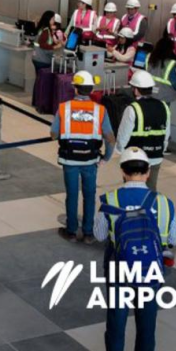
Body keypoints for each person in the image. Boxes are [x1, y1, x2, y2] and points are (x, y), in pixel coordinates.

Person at [94, 147, 176, 351]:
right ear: (148, 172)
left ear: (123, 172)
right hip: (150, 270)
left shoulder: (110, 200)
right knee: (146, 327)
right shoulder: (164, 203)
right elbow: (175, 238)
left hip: (119, 269)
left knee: (116, 324)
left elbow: (98, 235)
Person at [50, 70, 115, 243]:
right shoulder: (100, 110)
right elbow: (110, 139)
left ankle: (71, 231)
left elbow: (54, 134)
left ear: (76, 89)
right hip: (91, 160)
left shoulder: (64, 108)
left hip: (69, 159)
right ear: (91, 89)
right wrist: (106, 158)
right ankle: (88, 233)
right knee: (89, 195)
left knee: (71, 195)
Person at [115, 71, 171, 191]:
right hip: (156, 156)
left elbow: (123, 135)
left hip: (134, 159)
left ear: (135, 90)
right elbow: (166, 133)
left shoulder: (132, 108)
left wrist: (120, 150)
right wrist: (162, 149)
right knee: (150, 191)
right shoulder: (164, 106)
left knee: (132, 191)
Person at [146, 37, 176, 104]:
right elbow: (174, 82)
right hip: (165, 96)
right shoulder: (170, 63)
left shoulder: (150, 58)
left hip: (149, 92)